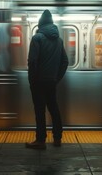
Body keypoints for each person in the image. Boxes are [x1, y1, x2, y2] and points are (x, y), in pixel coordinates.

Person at [26, 9, 69, 149]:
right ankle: (57, 138)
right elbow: (65, 61)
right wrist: (56, 78)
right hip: (51, 81)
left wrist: (32, 79)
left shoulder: (37, 38)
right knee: (53, 108)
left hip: (38, 81)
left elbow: (32, 61)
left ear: (40, 24)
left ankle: (40, 140)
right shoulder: (59, 40)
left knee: (40, 110)